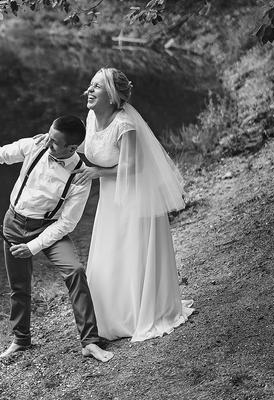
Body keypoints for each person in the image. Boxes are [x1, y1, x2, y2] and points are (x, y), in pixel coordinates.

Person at [0, 116, 113, 362]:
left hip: (49, 229)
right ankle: (21, 339)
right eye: (49, 135)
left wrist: (33, 247)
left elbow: (67, 223)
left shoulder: (80, 176)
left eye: (54, 142)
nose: (46, 142)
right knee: (19, 285)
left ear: (72, 148)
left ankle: (89, 342)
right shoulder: (35, 145)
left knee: (75, 271)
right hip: (14, 224)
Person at [72, 67, 194, 342]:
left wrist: (96, 173)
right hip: (110, 198)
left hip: (135, 195)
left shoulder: (125, 124)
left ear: (112, 96)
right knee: (111, 252)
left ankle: (137, 313)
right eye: (90, 85)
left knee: (130, 251)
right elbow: (91, 146)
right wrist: (59, 144)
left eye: (97, 86)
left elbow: (133, 167)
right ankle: (110, 316)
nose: (89, 90)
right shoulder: (92, 117)